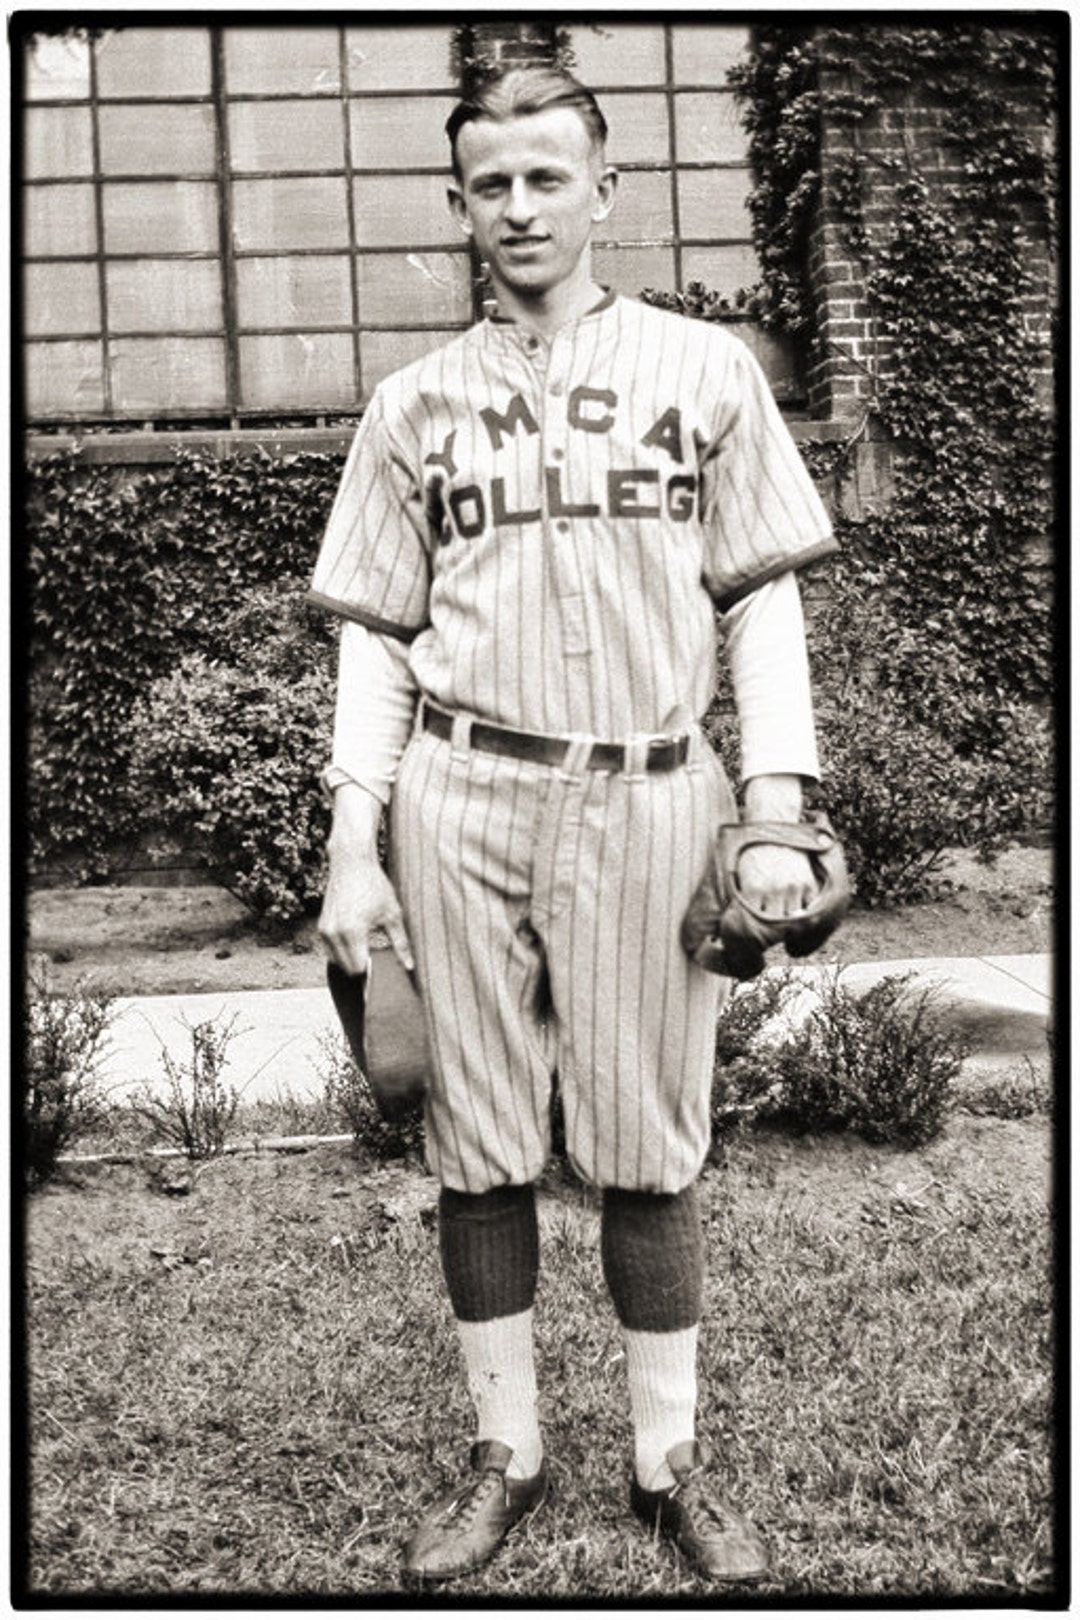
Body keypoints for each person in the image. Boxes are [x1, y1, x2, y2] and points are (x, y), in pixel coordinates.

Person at [310, 66, 837, 1586]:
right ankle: (510, 1453)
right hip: (460, 791)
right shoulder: (412, 404)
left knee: (648, 1139)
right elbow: (377, 643)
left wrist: (781, 808)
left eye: (550, 178)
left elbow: (763, 602)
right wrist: (354, 849)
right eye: (493, 184)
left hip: (654, 788)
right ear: (461, 206)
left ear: (605, 191)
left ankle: (668, 1463)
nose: (522, 207)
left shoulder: (707, 371)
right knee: (474, 1136)